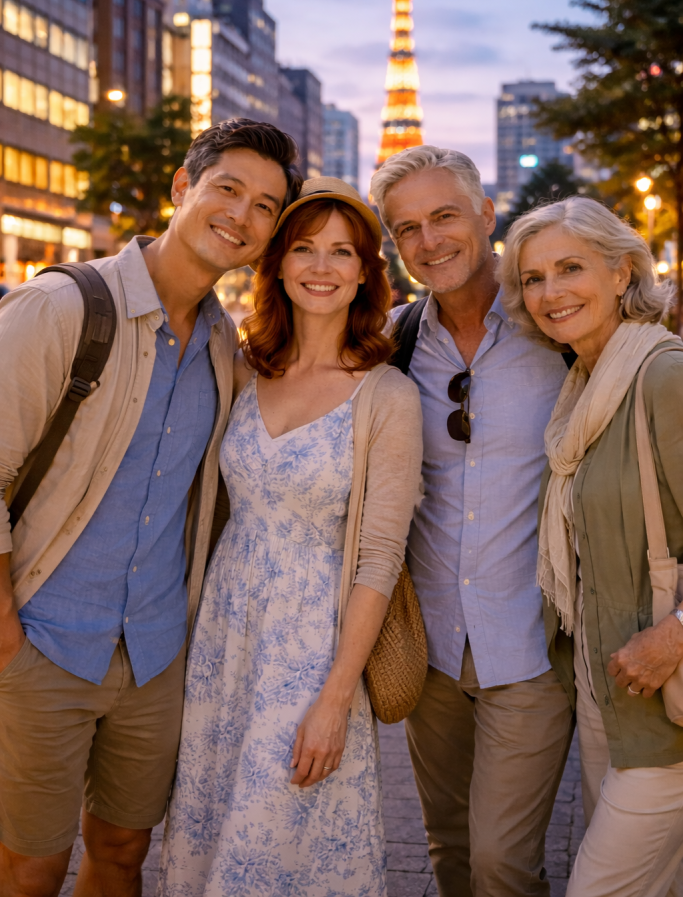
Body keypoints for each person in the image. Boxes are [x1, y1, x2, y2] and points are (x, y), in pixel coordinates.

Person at [0, 118, 302, 897]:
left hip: (155, 654)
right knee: (28, 867)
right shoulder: (61, 308)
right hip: (40, 637)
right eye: (226, 188)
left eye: (266, 206)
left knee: (126, 851)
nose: (241, 213)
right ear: (182, 187)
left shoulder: (224, 351)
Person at [157, 177, 423, 897]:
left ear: (368, 272)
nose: (321, 265)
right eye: (303, 248)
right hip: (225, 637)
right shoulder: (245, 368)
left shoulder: (386, 396)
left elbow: (378, 556)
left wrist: (336, 697)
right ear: (275, 263)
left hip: (313, 647)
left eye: (342, 252)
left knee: (284, 838)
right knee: (212, 832)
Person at [369, 146, 574, 897]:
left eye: (444, 216)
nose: (429, 242)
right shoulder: (388, 343)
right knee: (448, 849)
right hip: (427, 652)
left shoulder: (556, 329)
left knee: (501, 864)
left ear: (487, 217)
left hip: (531, 645)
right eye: (407, 229)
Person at [499, 196, 683, 897]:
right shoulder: (579, 388)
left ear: (621, 271)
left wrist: (675, 633)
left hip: (665, 708)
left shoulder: (661, 377)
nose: (549, 292)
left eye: (569, 268)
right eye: (533, 278)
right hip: (608, 696)